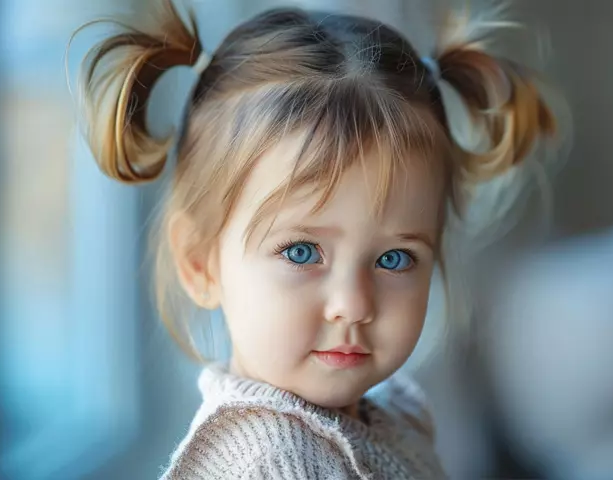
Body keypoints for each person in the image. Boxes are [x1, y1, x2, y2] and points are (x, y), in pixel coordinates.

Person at [71, 1, 559, 477]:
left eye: (393, 258)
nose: (352, 304)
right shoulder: (274, 464)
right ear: (200, 262)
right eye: (301, 252)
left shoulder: (393, 418)